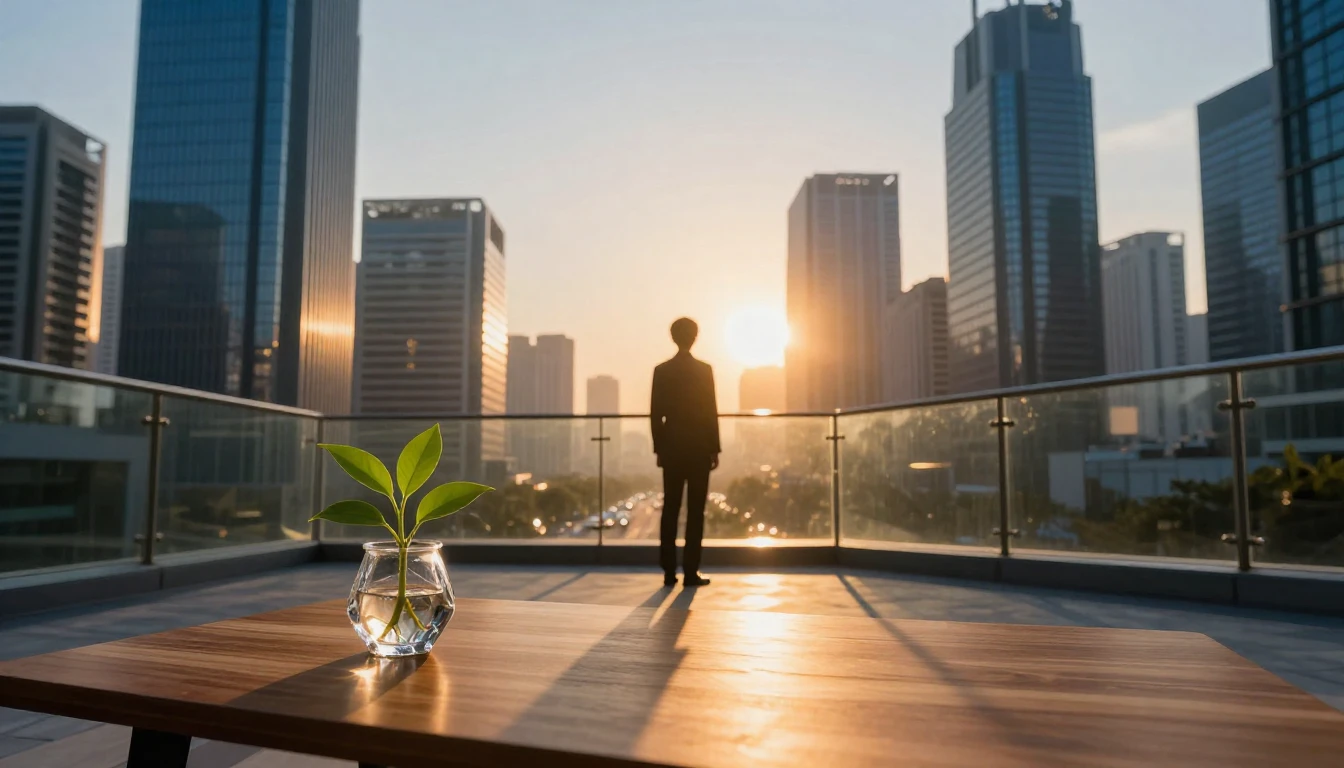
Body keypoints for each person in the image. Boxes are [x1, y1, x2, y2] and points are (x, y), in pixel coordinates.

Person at [650, 317, 720, 588]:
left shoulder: (662, 371)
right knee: (695, 511)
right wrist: (714, 448)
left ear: (672, 337)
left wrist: (659, 448)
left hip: (672, 449)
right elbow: (710, 412)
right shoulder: (704, 370)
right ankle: (691, 572)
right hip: (699, 448)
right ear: (695, 337)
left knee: (670, 508)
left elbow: (656, 415)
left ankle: (668, 571)